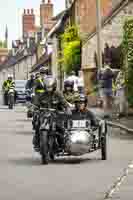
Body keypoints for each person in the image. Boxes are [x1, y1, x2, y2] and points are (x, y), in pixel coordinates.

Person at [33, 76, 71, 150]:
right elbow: (35, 104)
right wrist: (32, 109)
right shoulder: (41, 95)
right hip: (44, 114)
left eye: (50, 87)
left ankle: (62, 143)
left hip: (56, 115)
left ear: (54, 86)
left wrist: (67, 109)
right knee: (37, 124)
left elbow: (64, 103)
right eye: (47, 87)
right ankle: (37, 141)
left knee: (61, 128)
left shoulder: (58, 94)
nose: (49, 89)